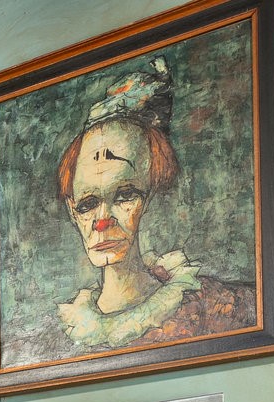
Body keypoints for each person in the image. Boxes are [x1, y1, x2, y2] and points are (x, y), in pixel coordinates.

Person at [14, 58, 255, 360]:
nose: (102, 222)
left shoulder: (220, 305)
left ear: (153, 197)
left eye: (125, 195)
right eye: (89, 203)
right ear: (73, 212)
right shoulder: (50, 341)